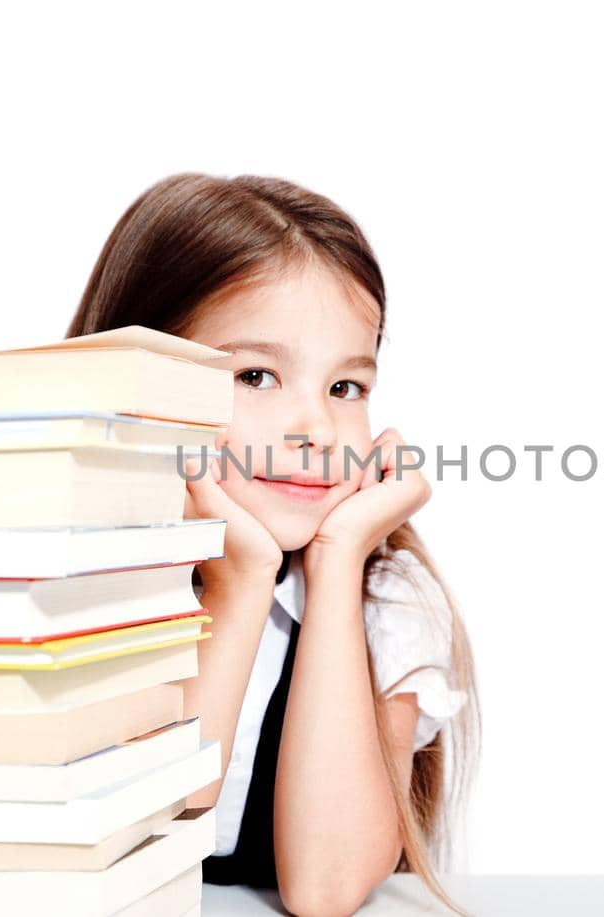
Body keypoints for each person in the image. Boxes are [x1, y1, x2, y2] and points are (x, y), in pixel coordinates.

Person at [65, 173, 480, 916]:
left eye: (346, 387)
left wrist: (338, 560)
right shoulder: (74, 573)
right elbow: (131, 842)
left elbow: (325, 888)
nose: (316, 431)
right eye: (257, 375)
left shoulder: (384, 594)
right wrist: (238, 582)